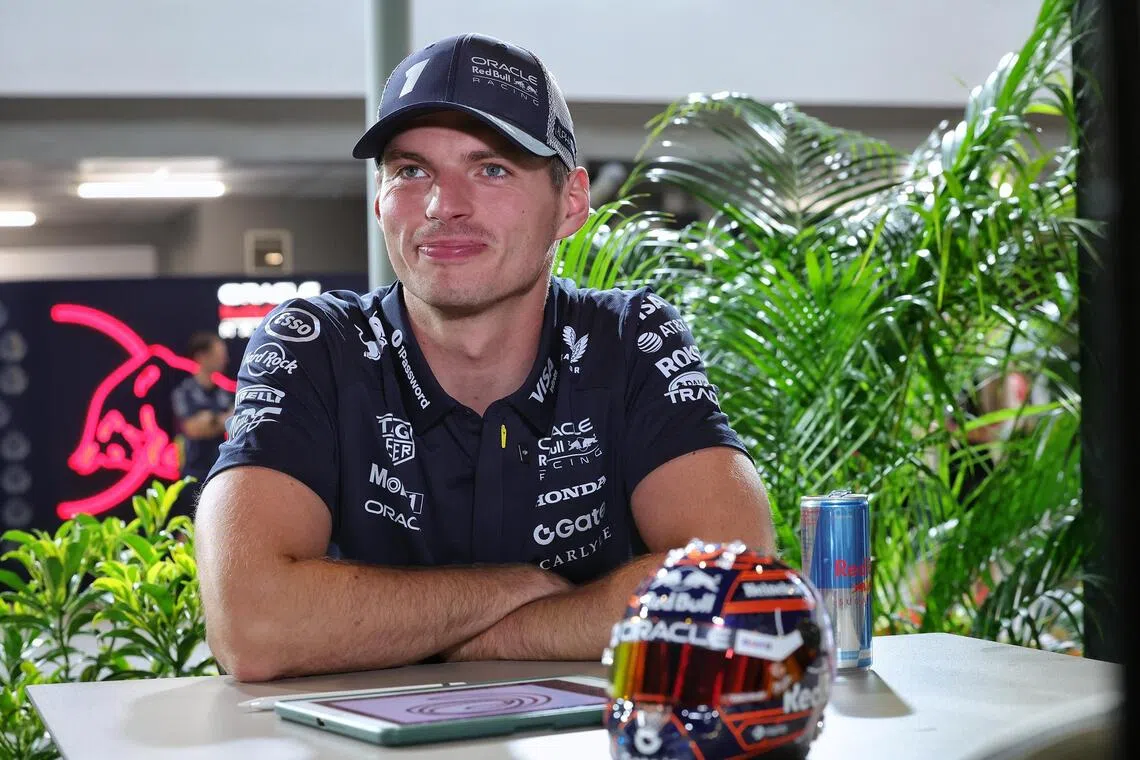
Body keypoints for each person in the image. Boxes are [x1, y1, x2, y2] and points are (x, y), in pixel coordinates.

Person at [194, 32, 776, 683]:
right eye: (412, 171)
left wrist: (452, 639)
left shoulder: (629, 341)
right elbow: (254, 626)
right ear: (379, 200)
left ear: (571, 203)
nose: (445, 207)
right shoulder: (315, 346)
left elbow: (732, 582)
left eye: (492, 168)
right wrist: (515, 588)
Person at [170, 331, 234, 516]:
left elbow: (234, 422)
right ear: (202, 357)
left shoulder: (225, 393)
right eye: (219, 354)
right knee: (187, 528)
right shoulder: (184, 392)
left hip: (220, 471)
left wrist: (211, 420)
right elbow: (193, 428)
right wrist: (221, 419)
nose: (225, 359)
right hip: (191, 474)